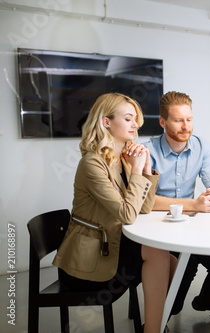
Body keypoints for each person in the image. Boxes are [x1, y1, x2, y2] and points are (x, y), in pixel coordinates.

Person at [53, 93, 177, 333]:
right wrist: (138, 170)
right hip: (90, 262)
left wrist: (145, 167)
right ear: (106, 122)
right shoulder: (92, 163)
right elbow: (128, 214)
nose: (136, 125)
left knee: (169, 260)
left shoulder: (123, 158)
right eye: (129, 118)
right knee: (160, 255)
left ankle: (153, 327)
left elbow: (144, 207)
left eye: (136, 120)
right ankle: (153, 330)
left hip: (111, 245)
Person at [144, 91, 210, 322]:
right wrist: (194, 204)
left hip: (189, 226)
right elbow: (146, 201)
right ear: (163, 122)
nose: (186, 126)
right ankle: (160, 317)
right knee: (183, 277)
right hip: (157, 230)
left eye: (189, 119)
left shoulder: (201, 146)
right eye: (178, 120)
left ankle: (206, 301)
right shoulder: (148, 151)